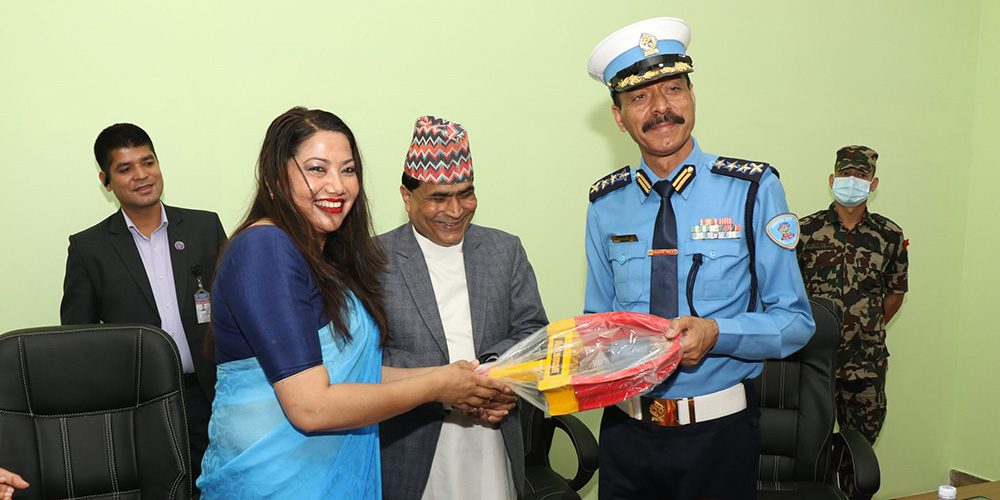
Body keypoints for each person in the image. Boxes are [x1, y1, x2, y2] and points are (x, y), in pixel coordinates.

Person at [196, 107, 513, 499]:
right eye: (317, 169)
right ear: (276, 178)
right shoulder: (266, 249)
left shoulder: (323, 256)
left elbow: (355, 374)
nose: (337, 185)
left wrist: (454, 379)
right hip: (279, 482)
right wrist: (437, 385)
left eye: (348, 170)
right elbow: (311, 407)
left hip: (330, 476)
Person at [583, 17, 815, 498]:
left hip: (718, 439)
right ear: (619, 117)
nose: (661, 108)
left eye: (673, 89)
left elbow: (795, 322)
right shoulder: (605, 204)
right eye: (639, 97)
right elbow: (598, 324)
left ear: (692, 95)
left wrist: (716, 334)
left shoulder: (752, 190)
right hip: (625, 435)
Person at [378, 116, 548, 499]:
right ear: (407, 197)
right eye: (438, 198)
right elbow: (364, 356)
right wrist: (443, 386)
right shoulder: (371, 260)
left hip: (492, 432)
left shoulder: (505, 250)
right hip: (411, 444)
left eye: (465, 194)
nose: (455, 210)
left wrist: (487, 381)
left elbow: (535, 334)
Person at [60, 123, 225, 489]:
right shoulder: (89, 249)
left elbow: (236, 310)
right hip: (138, 407)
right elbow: (78, 342)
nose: (141, 175)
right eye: (125, 168)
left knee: (219, 487)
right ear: (106, 181)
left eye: (147, 162)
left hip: (210, 395)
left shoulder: (204, 227)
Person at [797, 145, 908, 445]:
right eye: (845, 173)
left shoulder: (889, 235)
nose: (852, 180)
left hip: (865, 363)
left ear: (873, 184)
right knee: (806, 443)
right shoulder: (805, 231)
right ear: (832, 180)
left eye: (861, 175)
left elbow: (896, 293)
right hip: (812, 359)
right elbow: (788, 292)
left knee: (859, 447)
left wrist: (866, 325)